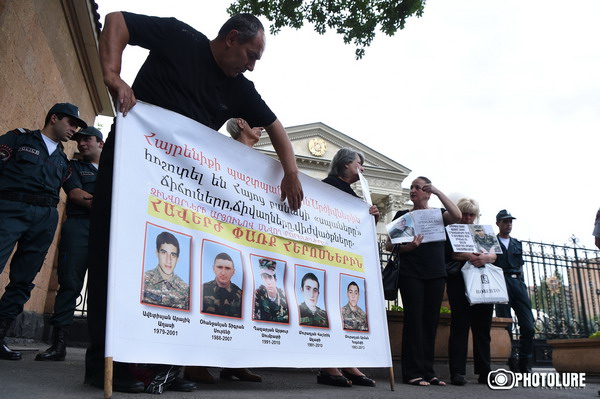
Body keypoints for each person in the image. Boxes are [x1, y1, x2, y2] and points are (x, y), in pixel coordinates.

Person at [86, 11, 303, 392]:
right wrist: (113, 75)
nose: (253, 66)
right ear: (232, 38)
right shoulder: (179, 35)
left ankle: (158, 369)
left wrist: (291, 173)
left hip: (176, 188)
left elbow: (275, 127)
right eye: (252, 55)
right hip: (130, 163)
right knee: (114, 257)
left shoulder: (239, 87)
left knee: (169, 272)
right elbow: (118, 21)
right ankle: (105, 365)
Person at [0, 103, 86, 361]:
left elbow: (75, 192)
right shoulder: (18, 138)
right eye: (71, 123)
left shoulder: (64, 160)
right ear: (54, 118)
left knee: (24, 279)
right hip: (10, 208)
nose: (74, 130)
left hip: (45, 218)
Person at [385, 176, 461, 386]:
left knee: (430, 323)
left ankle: (429, 371)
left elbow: (457, 215)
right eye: (412, 187)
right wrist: (409, 247)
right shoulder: (402, 215)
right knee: (414, 321)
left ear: (427, 193)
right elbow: (389, 246)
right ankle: (412, 372)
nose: (413, 191)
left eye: (419, 188)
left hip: (436, 274)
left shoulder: (437, 214)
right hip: (411, 274)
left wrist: (437, 191)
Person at [36, 126, 102, 362]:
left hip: (106, 231)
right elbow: (75, 194)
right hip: (80, 227)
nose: (82, 144)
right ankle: (59, 342)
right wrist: (106, 202)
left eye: (88, 140)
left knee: (104, 288)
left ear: (101, 144)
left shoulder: (116, 169)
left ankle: (102, 348)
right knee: (70, 282)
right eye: (79, 141)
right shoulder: (74, 167)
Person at [319, 148, 377, 387]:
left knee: (345, 314)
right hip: (327, 257)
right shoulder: (326, 186)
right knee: (329, 310)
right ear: (344, 165)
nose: (361, 168)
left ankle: (347, 362)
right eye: (358, 163)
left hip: (346, 260)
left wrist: (370, 216)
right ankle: (327, 366)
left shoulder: (355, 196)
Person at [445, 198, 496, 386]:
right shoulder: (452, 230)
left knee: (483, 329)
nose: (467, 217)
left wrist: (486, 258)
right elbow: (452, 254)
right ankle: (457, 372)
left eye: (471, 214)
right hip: (459, 282)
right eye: (464, 213)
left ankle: (485, 371)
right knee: (460, 326)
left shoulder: (482, 231)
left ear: (476, 216)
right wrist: (472, 256)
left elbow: (494, 254)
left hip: (483, 283)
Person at [494, 210, 535, 374]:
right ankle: (511, 363)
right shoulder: (492, 241)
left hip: (517, 283)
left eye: (510, 221)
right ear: (498, 223)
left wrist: (522, 285)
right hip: (500, 282)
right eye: (505, 221)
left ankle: (524, 362)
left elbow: (520, 267)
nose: (508, 224)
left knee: (528, 325)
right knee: (506, 326)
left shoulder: (517, 243)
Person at [142, 231, 189, 310]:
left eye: (173, 255)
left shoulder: (185, 290)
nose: (169, 260)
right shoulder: (143, 280)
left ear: (177, 259)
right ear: (157, 253)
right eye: (164, 253)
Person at [202, 252, 242, 317]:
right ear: (213, 268)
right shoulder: (201, 290)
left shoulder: (241, 296)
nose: (223, 273)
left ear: (233, 272)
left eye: (227, 268)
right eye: (220, 267)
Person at [253, 258, 289, 323]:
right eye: (264, 278)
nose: (268, 282)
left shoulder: (285, 297)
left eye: (270, 277)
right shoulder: (257, 295)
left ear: (276, 280)